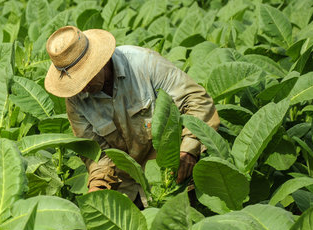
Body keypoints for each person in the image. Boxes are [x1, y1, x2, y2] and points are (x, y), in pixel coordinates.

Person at [44, 26, 220, 206]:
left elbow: (197, 101)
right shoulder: (75, 99)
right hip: (126, 185)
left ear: (100, 61)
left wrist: (189, 150)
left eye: (85, 78)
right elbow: (96, 153)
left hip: (172, 175)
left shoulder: (145, 64)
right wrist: (98, 187)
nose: (82, 88)